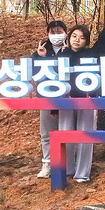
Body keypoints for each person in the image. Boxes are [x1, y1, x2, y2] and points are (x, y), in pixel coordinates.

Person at [58, 0, 105, 182]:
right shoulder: (62, 55)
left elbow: (104, 39)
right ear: (69, 38)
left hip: (87, 99)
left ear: (86, 41)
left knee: (85, 136)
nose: (77, 40)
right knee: (65, 134)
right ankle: (67, 169)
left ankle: (82, 173)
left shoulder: (91, 53)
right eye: (74, 36)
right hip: (66, 99)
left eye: (82, 37)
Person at [33, 19, 68, 179]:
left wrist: (67, 53)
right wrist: (39, 56)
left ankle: (67, 163)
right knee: (47, 133)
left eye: (59, 32)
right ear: (47, 34)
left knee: (67, 131)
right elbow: (33, 72)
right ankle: (47, 164)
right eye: (53, 32)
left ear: (65, 33)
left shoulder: (70, 48)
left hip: (66, 98)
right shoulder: (42, 50)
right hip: (46, 98)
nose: (56, 35)